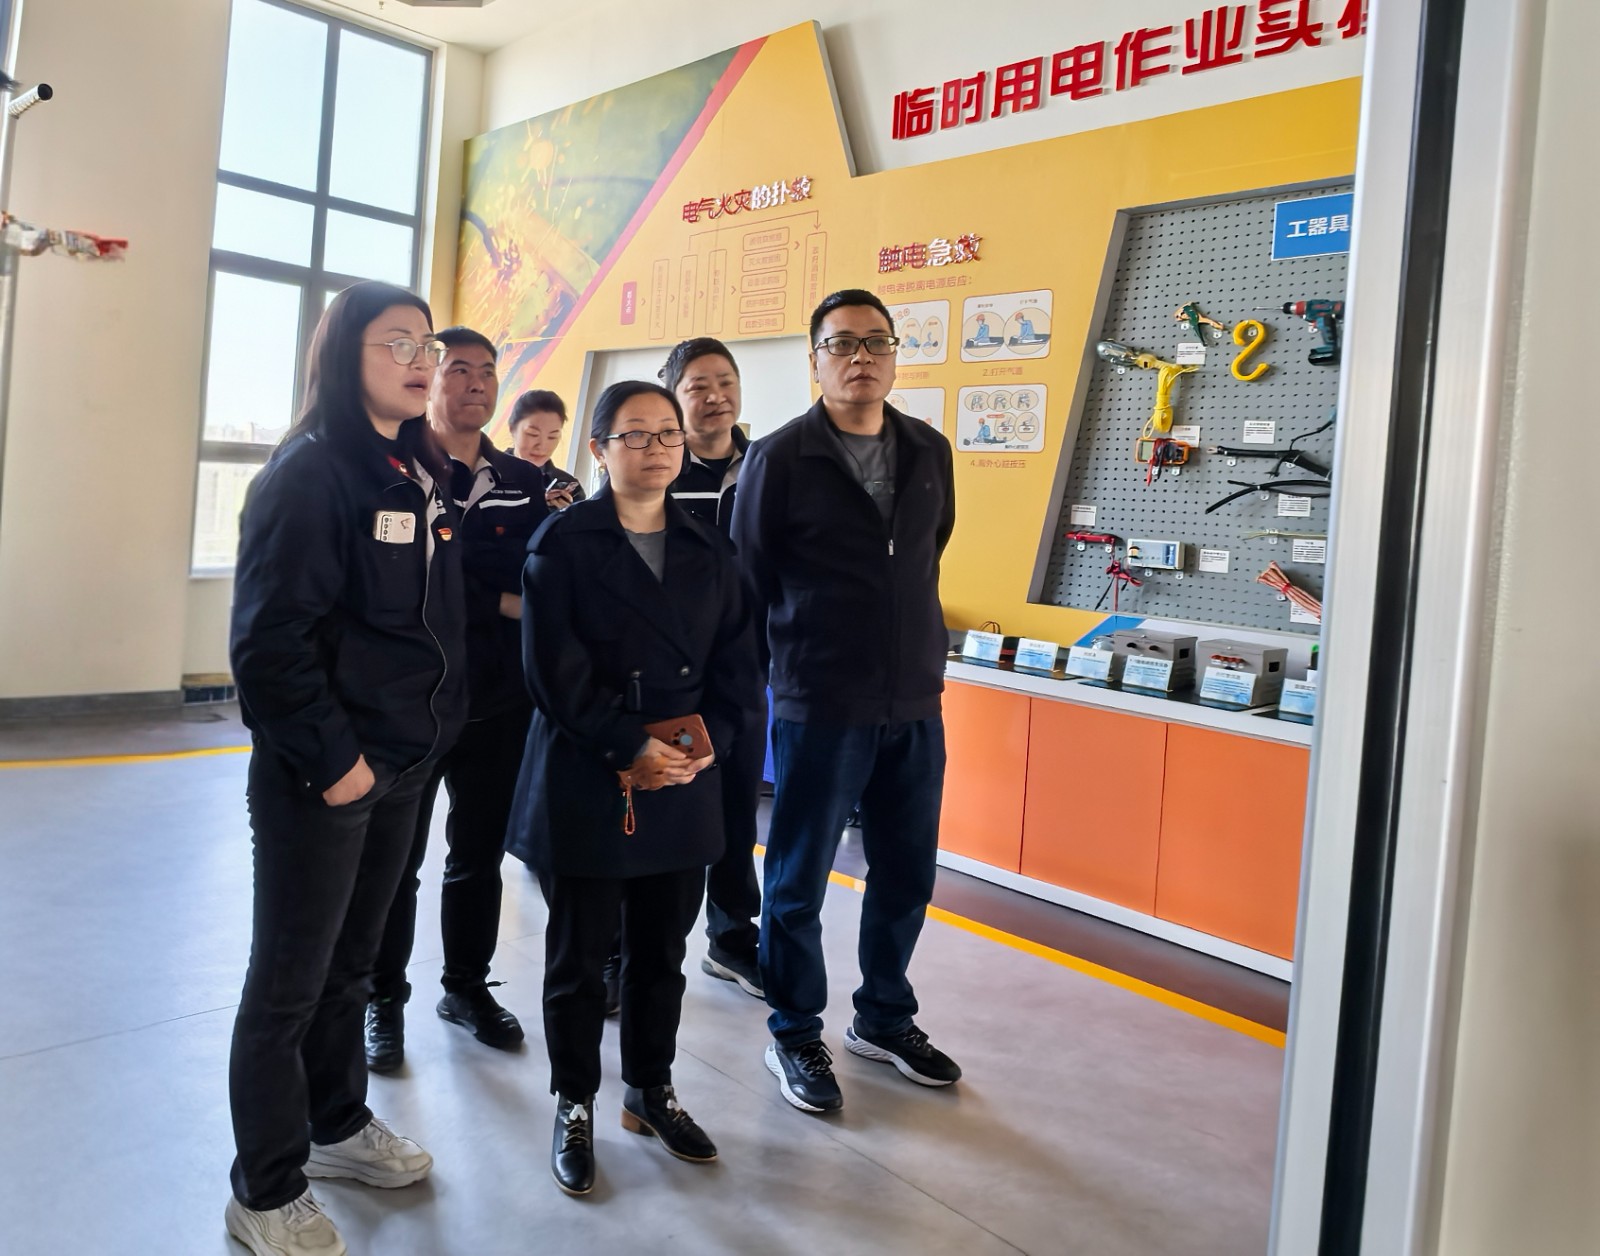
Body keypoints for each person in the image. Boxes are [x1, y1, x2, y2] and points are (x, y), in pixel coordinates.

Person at [225, 281, 467, 1256]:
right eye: (394, 342)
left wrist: (426, 741)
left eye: (426, 343)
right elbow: (268, 646)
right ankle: (265, 1188)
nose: (420, 360)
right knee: (287, 984)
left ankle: (335, 1123)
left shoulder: (415, 468)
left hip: (402, 764)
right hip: (323, 778)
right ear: (341, 356)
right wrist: (338, 766)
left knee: (352, 968)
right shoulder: (310, 473)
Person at [505, 380, 761, 1196]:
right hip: (590, 770)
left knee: (662, 954)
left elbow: (739, 667)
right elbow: (553, 674)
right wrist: (627, 746)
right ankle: (574, 1099)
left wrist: (701, 750)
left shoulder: (709, 547)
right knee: (579, 959)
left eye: (667, 434)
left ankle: (650, 1089)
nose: (656, 448)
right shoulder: (563, 544)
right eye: (635, 435)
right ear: (599, 449)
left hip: (683, 775)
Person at [731, 288, 961, 1117]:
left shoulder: (929, 449)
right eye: (841, 344)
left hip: (914, 700)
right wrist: (758, 696)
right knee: (797, 880)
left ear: (895, 355)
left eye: (875, 342)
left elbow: (928, 552)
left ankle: (883, 1018)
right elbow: (748, 582)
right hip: (821, 699)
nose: (860, 358)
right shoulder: (780, 458)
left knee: (906, 871)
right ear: (815, 361)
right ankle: (794, 1030)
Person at [365, 326, 548, 1074]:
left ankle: (466, 988)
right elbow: (401, 587)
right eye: (459, 369)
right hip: (411, 706)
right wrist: (498, 600)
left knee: (478, 857)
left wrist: (501, 599)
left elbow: (542, 583)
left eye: (487, 372)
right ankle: (382, 999)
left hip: (499, 702)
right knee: (394, 863)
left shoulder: (527, 482)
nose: (475, 383)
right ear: (429, 381)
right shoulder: (394, 472)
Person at [659, 337, 765, 999]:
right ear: (673, 396)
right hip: (670, 678)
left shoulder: (766, 469)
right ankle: (633, 947)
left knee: (735, 810)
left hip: (743, 675)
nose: (716, 397)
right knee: (665, 803)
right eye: (699, 386)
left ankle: (731, 939)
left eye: (725, 382)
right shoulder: (657, 468)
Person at [509, 388, 586, 510]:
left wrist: (562, 517)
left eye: (552, 437)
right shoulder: (487, 475)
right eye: (533, 434)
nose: (542, 446)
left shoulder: (569, 487)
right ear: (512, 429)